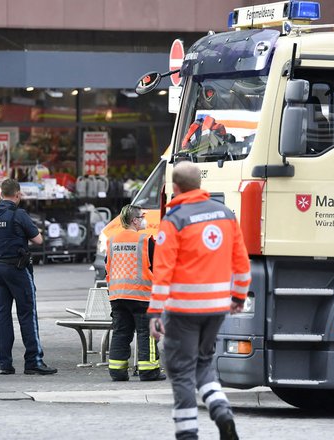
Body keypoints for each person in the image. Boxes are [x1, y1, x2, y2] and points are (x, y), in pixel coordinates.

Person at [148, 161, 251, 440]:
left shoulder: (175, 219)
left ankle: (187, 433)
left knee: (181, 371)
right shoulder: (225, 214)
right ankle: (221, 410)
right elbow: (241, 262)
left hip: (183, 309)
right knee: (203, 364)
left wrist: (155, 312)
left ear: (176, 187)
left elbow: (163, 270)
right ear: (200, 186)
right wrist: (238, 297)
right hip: (217, 307)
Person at [0, 179, 57, 376]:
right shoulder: (19, 214)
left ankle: (5, 364)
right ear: (18, 195)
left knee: (2, 316)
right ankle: (33, 361)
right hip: (18, 270)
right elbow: (38, 239)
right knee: (27, 314)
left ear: (0, 194)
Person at [105, 204, 166, 382]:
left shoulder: (112, 240)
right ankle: (149, 372)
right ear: (134, 220)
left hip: (117, 296)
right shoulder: (146, 240)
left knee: (121, 333)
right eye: (141, 217)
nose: (144, 220)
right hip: (141, 296)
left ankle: (117, 371)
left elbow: (107, 268)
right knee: (146, 333)